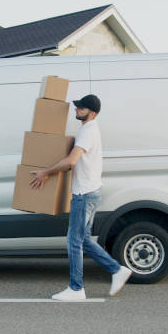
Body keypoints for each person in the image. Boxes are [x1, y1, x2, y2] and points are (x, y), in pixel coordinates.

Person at [29, 94, 132, 301]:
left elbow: (71, 162)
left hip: (84, 194)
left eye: (81, 108)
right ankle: (116, 270)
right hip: (91, 190)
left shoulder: (88, 131)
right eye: (77, 107)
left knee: (73, 240)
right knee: (83, 239)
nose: (76, 110)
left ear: (91, 113)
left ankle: (76, 288)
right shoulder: (89, 129)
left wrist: (45, 172)